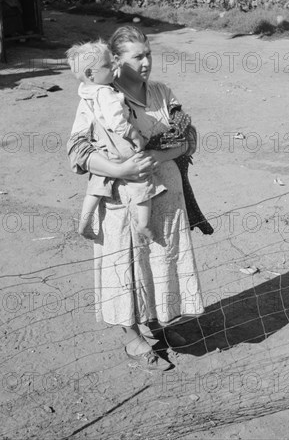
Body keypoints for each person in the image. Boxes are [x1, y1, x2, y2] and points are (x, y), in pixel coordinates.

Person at [67, 26, 204, 370]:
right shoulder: (100, 96)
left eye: (149, 54)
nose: (146, 63)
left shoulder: (161, 92)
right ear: (117, 60)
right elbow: (78, 150)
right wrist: (121, 170)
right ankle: (132, 336)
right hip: (120, 199)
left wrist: (158, 157)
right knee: (126, 264)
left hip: (167, 198)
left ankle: (158, 324)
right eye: (137, 57)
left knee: (159, 262)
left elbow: (188, 137)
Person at [67, 40, 165, 241]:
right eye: (108, 65)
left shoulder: (86, 91)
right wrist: (133, 134)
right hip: (120, 143)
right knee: (143, 176)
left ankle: (85, 221)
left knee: (97, 182)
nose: (115, 67)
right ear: (90, 74)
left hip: (102, 147)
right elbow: (116, 121)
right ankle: (144, 224)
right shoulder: (105, 92)